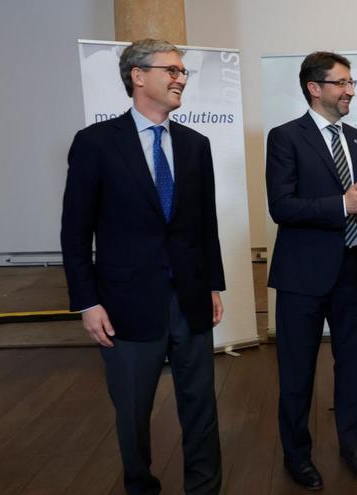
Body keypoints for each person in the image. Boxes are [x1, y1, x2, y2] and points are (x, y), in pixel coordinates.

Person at [61, 39, 225, 495]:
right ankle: (140, 486)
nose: (180, 78)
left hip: (189, 299)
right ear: (137, 75)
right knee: (133, 412)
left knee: (200, 408)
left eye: (183, 72)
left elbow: (203, 224)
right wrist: (86, 302)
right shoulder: (95, 144)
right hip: (124, 304)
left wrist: (213, 284)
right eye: (171, 70)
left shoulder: (196, 145)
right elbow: (75, 232)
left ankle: (205, 489)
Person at [266, 51, 357, 490]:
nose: (350, 91)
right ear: (314, 88)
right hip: (302, 278)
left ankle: (352, 447)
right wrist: (344, 204)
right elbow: (281, 207)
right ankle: (297, 456)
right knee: (297, 372)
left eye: (351, 83)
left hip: (353, 271)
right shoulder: (285, 138)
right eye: (341, 83)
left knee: (353, 366)